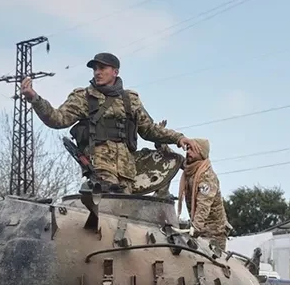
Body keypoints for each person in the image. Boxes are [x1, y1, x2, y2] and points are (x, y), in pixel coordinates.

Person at [20, 52, 203, 193]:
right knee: (106, 215)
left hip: (127, 172)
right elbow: (57, 119)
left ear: (115, 72)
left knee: (124, 217)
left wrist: (178, 138)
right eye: (95, 69)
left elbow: (149, 130)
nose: (97, 72)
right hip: (100, 169)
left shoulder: (130, 100)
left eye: (102, 68)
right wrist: (35, 99)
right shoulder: (84, 97)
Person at [177, 138, 229, 251]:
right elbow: (175, 158)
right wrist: (161, 145)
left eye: (192, 150)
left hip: (213, 234)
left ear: (201, 153)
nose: (188, 152)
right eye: (188, 149)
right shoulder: (190, 168)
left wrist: (195, 228)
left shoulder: (207, 176)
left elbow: (203, 205)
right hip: (199, 231)